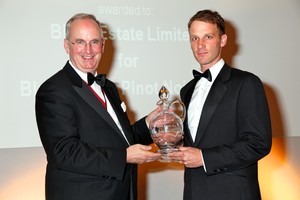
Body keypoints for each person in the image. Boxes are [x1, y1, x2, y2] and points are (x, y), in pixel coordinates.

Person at [35, 13, 160, 200]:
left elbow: (121, 140)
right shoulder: (53, 90)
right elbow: (64, 152)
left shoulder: (109, 87)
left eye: (94, 42)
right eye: (80, 42)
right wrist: (124, 157)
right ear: (66, 45)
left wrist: (151, 124)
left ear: (102, 46)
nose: (88, 50)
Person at [168, 9, 272, 200]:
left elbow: (258, 143)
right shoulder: (187, 90)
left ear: (222, 40)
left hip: (232, 193)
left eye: (208, 36)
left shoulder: (246, 83)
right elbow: (200, 139)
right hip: (193, 191)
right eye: (194, 38)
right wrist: (173, 142)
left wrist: (204, 158)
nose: (200, 45)